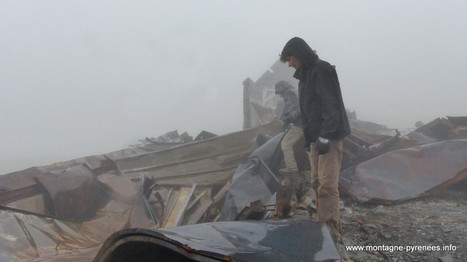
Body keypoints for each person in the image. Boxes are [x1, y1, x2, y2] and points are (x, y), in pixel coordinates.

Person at [279, 37, 351, 241]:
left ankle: (331, 232)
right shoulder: (305, 77)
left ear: (299, 54)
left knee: (328, 185)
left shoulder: (321, 69)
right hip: (315, 138)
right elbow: (308, 111)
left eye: (290, 58)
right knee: (317, 182)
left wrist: (326, 136)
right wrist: (310, 139)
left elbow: (331, 105)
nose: (290, 63)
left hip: (329, 136)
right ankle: (323, 223)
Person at [275, 80, 303, 174]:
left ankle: (292, 169)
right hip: (307, 123)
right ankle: (317, 171)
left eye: (279, 92)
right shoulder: (294, 91)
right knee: (309, 149)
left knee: (286, 144)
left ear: (283, 89)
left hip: (300, 124)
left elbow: (293, 112)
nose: (279, 95)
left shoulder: (289, 94)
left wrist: (284, 121)